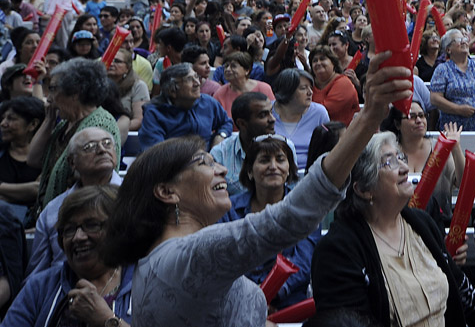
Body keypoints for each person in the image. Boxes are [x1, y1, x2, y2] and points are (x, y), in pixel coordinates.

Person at [100, 51, 412, 325]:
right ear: (167, 192)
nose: (221, 168)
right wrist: (370, 117)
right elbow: (291, 217)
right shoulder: (193, 255)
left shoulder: (155, 258)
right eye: (204, 163)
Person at [311, 131, 475, 326]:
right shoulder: (337, 251)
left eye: (400, 157)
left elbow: (459, 287)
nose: (404, 168)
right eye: (389, 163)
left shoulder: (421, 223)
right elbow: (351, 322)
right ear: (363, 189)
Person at [2, 186, 134, 327]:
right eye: (69, 229)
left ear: (118, 229)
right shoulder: (40, 287)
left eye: (91, 225)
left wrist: (106, 320)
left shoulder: (143, 283)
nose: (78, 237)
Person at [218, 135, 315, 311]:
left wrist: (271, 294)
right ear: (249, 171)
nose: (273, 166)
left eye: (280, 160)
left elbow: (303, 262)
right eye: (264, 160)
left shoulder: (305, 210)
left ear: (289, 169)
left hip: (290, 305)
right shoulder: (229, 210)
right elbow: (226, 260)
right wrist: (254, 296)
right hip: (239, 304)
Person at [27, 58, 121, 220]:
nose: (49, 97)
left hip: (75, 217)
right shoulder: (64, 124)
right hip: (51, 214)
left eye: (53, 88)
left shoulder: (99, 124)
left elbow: (93, 180)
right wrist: (48, 120)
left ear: (75, 92)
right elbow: (33, 160)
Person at [28, 128, 124, 276]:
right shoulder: (53, 210)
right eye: (90, 147)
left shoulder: (135, 198)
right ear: (72, 162)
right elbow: (37, 272)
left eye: (107, 144)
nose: (102, 150)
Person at [380, 101, 463, 226]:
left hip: (438, 223)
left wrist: (455, 148)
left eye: (422, 115)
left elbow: (461, 182)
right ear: (397, 124)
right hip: (400, 223)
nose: (419, 120)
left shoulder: (439, 148)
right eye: (412, 117)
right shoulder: (391, 152)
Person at [211, 92, 294, 196]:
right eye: (263, 115)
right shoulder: (221, 154)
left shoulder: (286, 147)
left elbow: (293, 191)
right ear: (242, 123)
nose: (272, 119)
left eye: (271, 112)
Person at [138, 63, 233, 151]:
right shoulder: (154, 113)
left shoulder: (207, 102)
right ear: (172, 91)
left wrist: (221, 135)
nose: (197, 83)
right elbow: (155, 152)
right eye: (189, 79)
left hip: (207, 162)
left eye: (196, 77)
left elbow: (226, 122)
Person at [430, 29, 475, 131]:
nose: (463, 41)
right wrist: (458, 109)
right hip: (454, 129)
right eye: (458, 40)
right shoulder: (442, 69)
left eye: (464, 38)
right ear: (448, 49)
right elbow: (435, 98)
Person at [271, 68, 329, 170]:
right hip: (273, 172)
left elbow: (328, 150)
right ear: (287, 91)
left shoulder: (319, 113)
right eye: (303, 88)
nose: (310, 92)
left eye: (310, 88)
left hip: (309, 175)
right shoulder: (267, 111)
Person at [0, 97, 45, 217]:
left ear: (32, 124)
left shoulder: (47, 155)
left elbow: (38, 189)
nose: (3, 123)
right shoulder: (2, 153)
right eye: (3, 118)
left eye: (11, 119)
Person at [213, 52, 275, 123]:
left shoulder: (264, 89)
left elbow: (274, 115)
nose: (227, 69)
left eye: (233, 66)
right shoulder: (220, 93)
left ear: (247, 70)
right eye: (226, 66)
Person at [309, 45, 359, 127]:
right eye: (314, 61)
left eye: (322, 59)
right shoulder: (309, 84)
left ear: (333, 63)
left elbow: (324, 111)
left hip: (343, 135)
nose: (318, 63)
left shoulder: (344, 83)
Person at [107, 48, 149, 132]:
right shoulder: (100, 85)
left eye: (117, 61)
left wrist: (113, 130)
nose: (111, 63)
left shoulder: (139, 86)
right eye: (110, 60)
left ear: (127, 68)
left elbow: (138, 120)